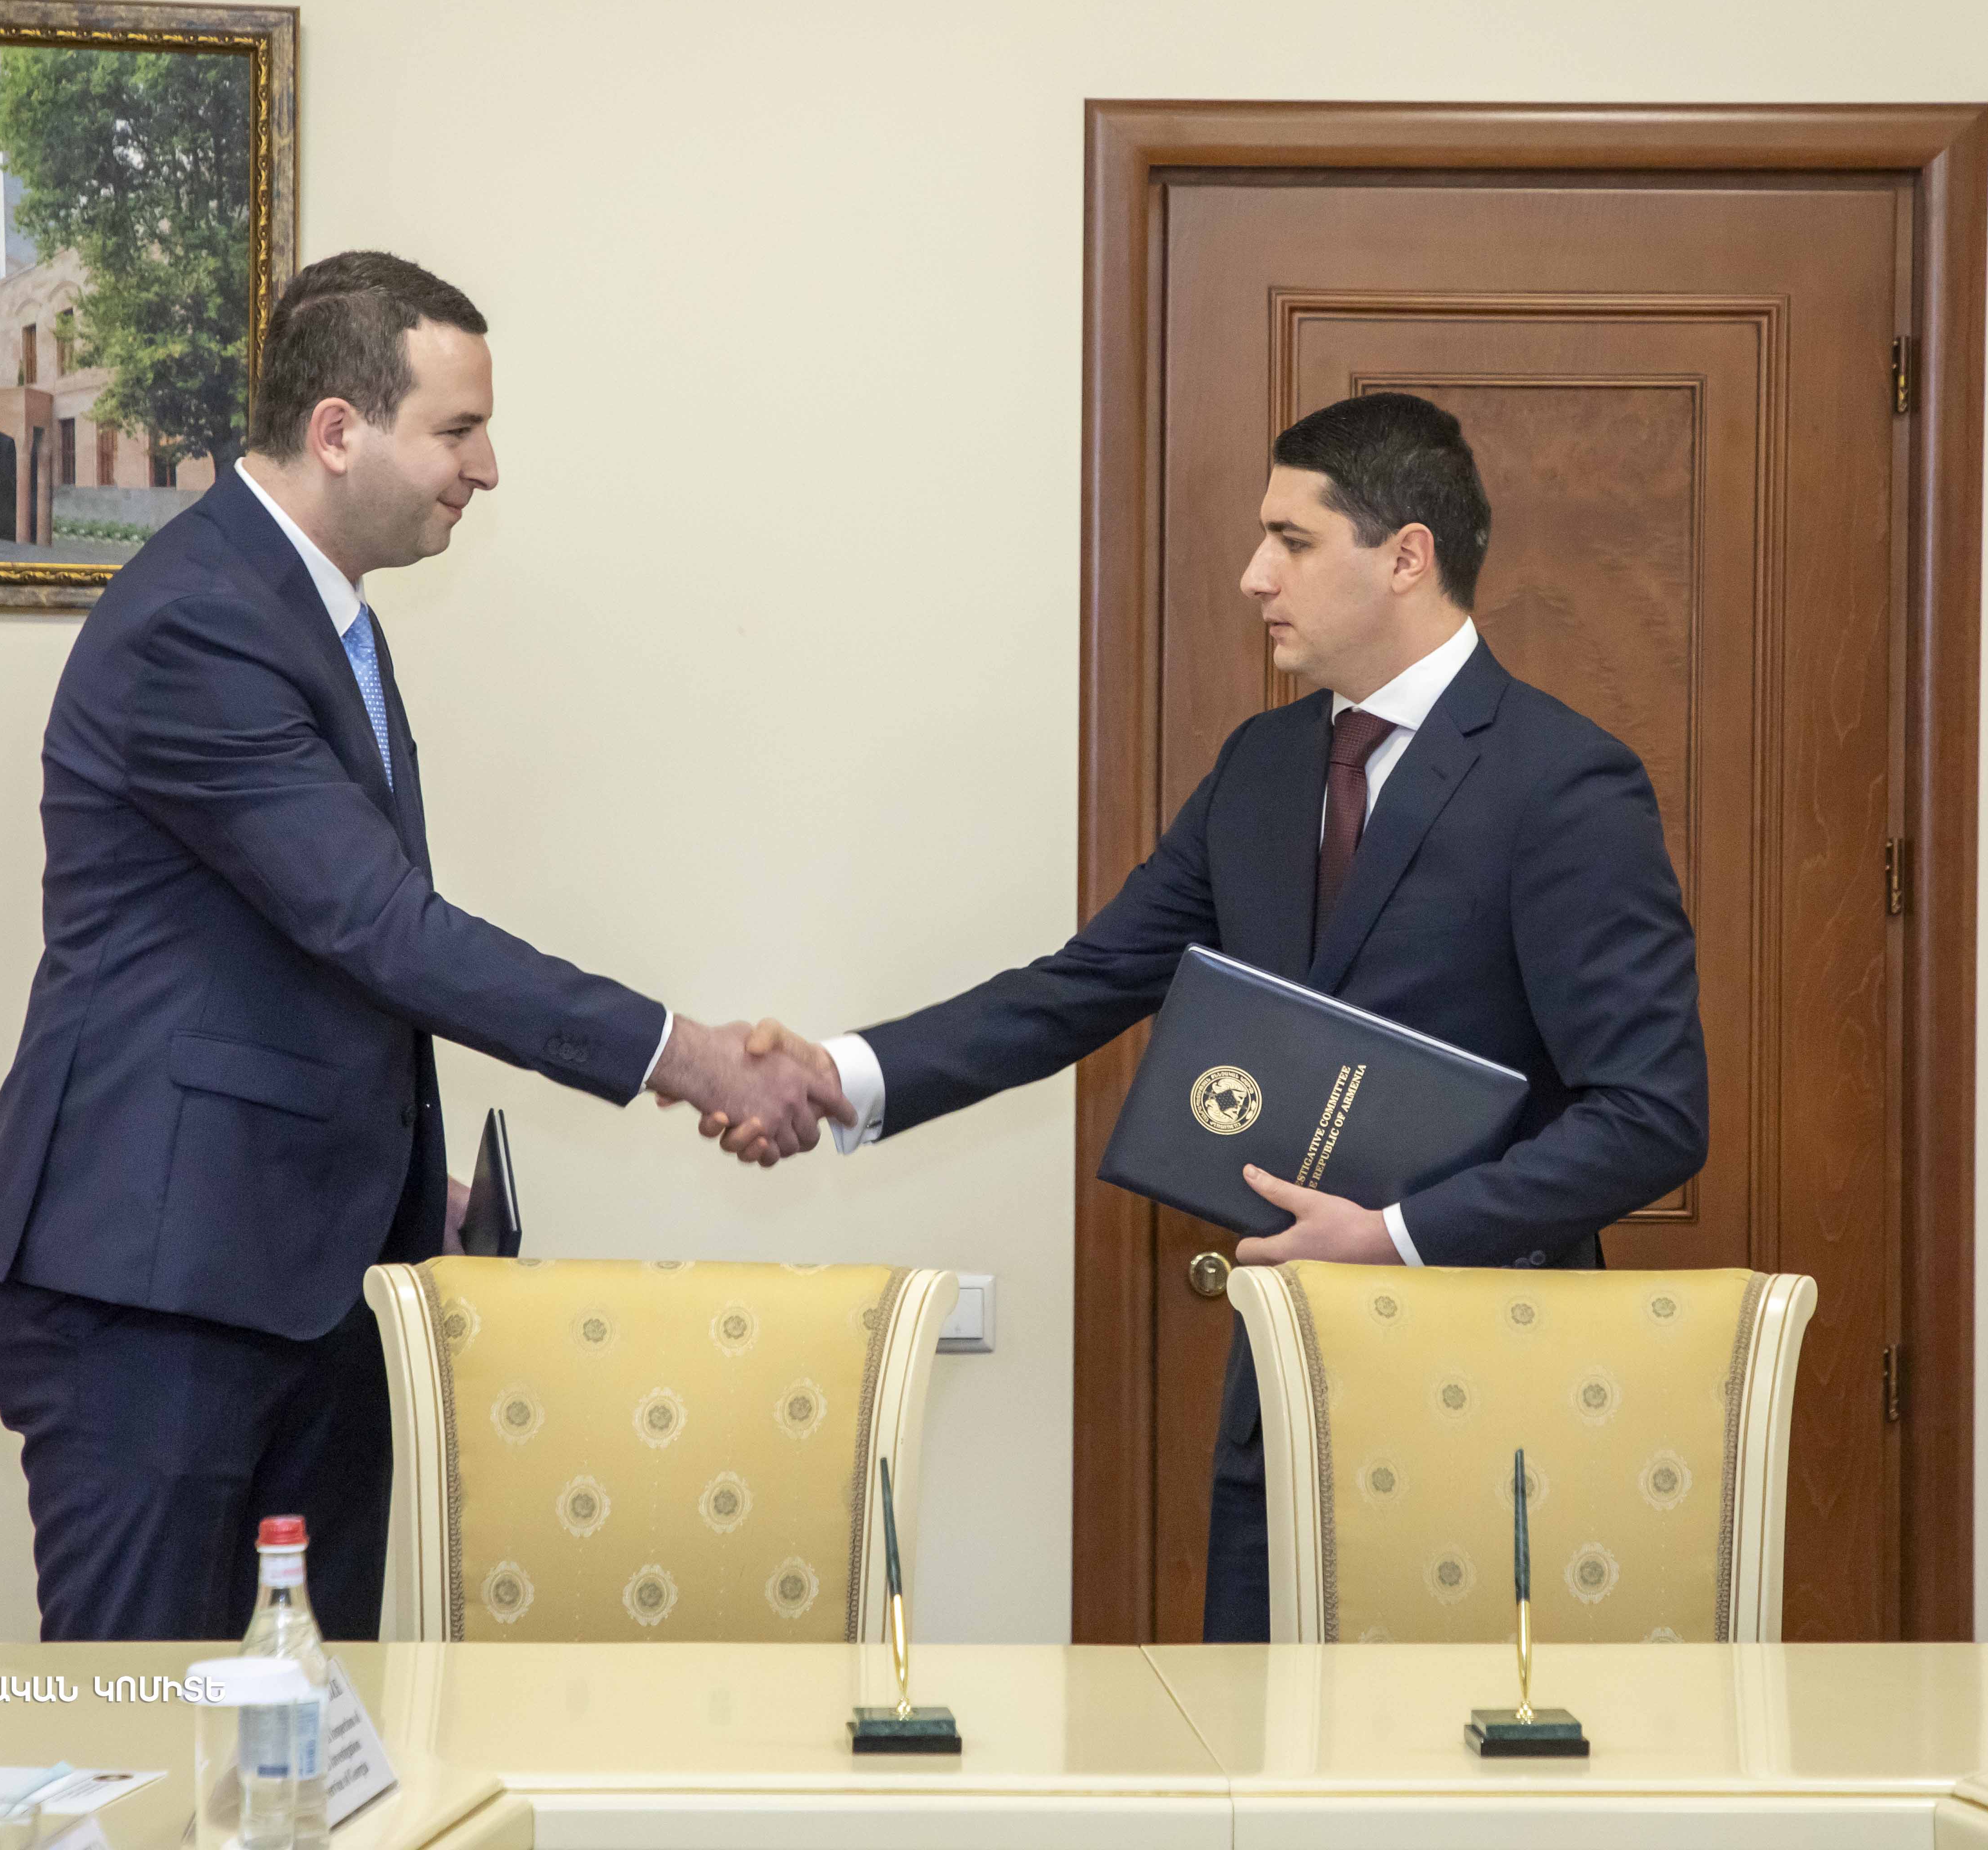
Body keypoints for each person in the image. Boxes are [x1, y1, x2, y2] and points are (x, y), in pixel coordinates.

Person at [715, 391, 1708, 1640]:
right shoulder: (1264, 765)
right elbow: (1086, 983)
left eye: (1292, 540)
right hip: (1278, 1390)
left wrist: (1395, 1235)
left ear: (1406, 556)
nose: (1254, 575)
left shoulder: (1564, 781)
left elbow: (1653, 1117)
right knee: (1252, 1736)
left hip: (1489, 1391)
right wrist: (841, 1075)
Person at [0, 251, 843, 1641]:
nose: (486, 468)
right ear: (338, 431)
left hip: (296, 1280)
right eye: (457, 429)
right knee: (139, 1729)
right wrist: (689, 1059)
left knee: (306, 1726)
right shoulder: (202, 623)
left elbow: (303, 963)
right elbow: (380, 930)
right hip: (162, 1295)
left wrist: (395, 1177)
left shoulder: (310, 616)